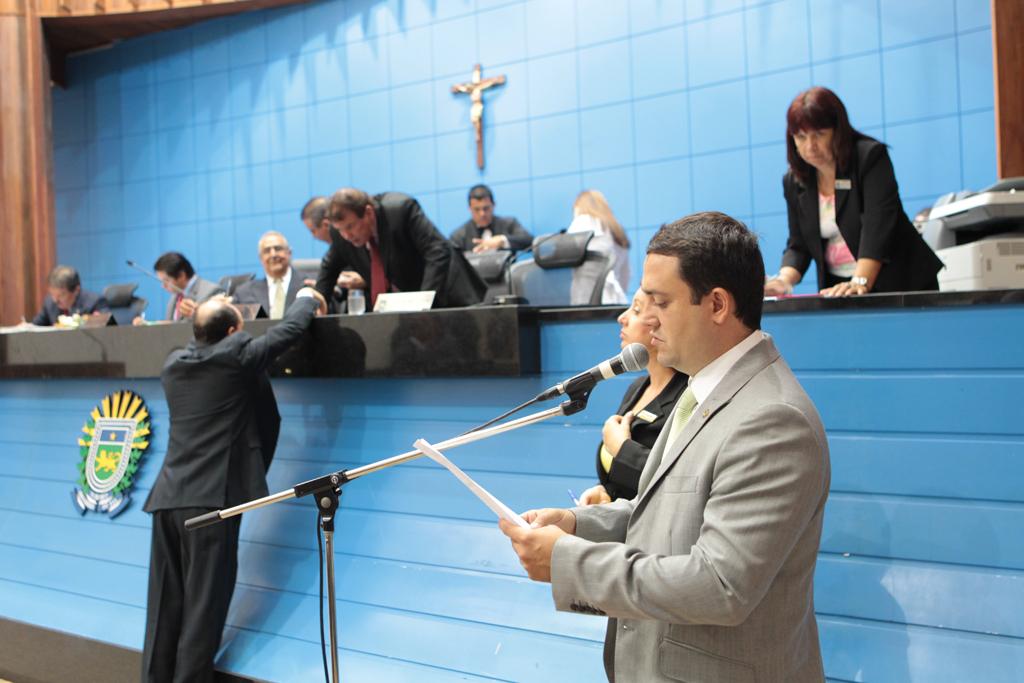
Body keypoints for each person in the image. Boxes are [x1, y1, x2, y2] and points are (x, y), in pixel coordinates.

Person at [500, 212, 830, 682]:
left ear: (716, 304)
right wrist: (578, 524)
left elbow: (719, 586)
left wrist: (566, 560)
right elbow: (664, 514)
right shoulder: (702, 387)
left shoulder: (773, 420)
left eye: (661, 302)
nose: (646, 319)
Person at [141, 288, 326, 683]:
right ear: (233, 330)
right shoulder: (236, 359)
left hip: (167, 500)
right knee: (203, 608)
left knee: (164, 607)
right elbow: (290, 330)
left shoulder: (173, 364)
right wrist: (308, 297)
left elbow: (213, 340)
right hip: (211, 505)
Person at [765, 86, 943, 297]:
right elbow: (799, 244)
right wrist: (783, 281)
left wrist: (860, 280)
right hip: (842, 287)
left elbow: (877, 225)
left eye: (819, 135)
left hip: (900, 284)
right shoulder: (795, 181)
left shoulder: (869, 157)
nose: (810, 146)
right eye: (801, 137)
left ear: (837, 131)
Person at [578, 289, 687, 505]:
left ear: (661, 324)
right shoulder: (638, 387)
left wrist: (622, 448)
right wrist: (607, 493)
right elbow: (624, 480)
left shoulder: (687, 396)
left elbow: (678, 486)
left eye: (636, 310)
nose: (622, 318)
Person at [315, 188, 486, 310]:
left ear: (368, 212)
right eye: (340, 230)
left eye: (350, 226)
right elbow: (328, 270)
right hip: (405, 304)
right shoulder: (341, 234)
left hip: (448, 294)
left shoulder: (400, 209)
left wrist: (423, 305)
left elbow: (437, 249)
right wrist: (316, 305)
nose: (347, 235)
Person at [567, 190, 629, 304]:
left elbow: (565, 250)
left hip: (588, 301)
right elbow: (625, 276)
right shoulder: (617, 232)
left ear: (579, 207)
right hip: (615, 300)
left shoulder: (584, 221)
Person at [232, 231, 304, 319]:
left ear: (289, 253)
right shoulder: (244, 293)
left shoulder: (309, 285)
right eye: (267, 251)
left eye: (278, 249)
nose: (273, 254)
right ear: (261, 258)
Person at [449, 184, 533, 253]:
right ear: (470, 209)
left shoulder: (509, 224)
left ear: (494, 205)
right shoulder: (458, 235)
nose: (482, 214)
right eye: (477, 209)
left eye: (486, 208)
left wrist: (502, 240)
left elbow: (530, 242)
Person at [153, 252, 225, 321]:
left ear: (181, 275)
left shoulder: (212, 291)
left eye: (166, 281)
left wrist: (195, 314)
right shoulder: (175, 296)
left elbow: (214, 324)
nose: (163, 286)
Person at [31, 265, 108, 326]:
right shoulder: (49, 303)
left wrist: (98, 323)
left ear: (76, 290)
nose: (55, 300)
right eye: (52, 294)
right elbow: (35, 327)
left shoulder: (95, 302)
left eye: (61, 295)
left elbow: (112, 334)